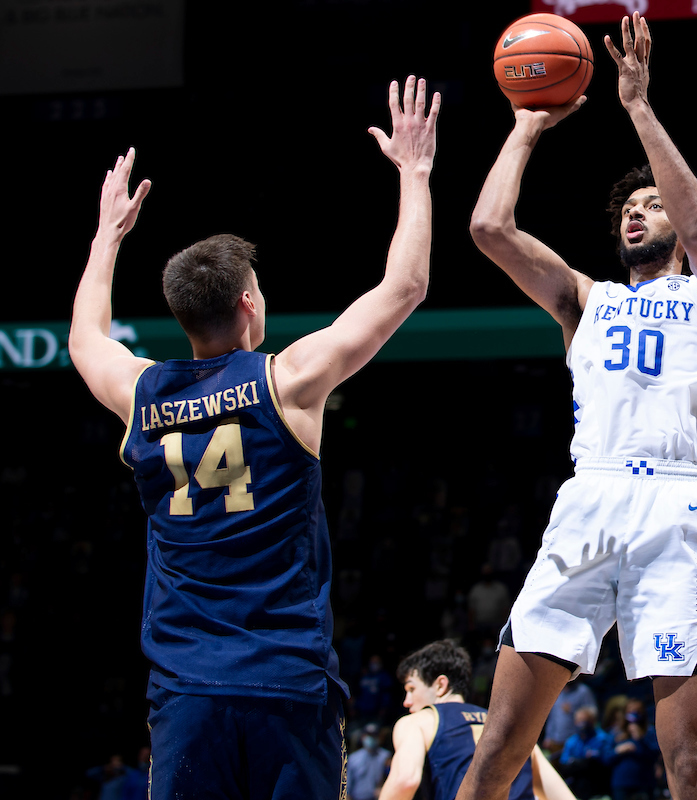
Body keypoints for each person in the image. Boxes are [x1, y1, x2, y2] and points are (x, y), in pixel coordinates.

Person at [67, 76, 440, 798]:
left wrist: (106, 235)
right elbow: (406, 286)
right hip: (285, 681)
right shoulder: (287, 380)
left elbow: (85, 338)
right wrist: (415, 173)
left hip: (186, 691)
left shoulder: (144, 395)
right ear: (247, 303)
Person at [461, 13, 697, 800]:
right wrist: (525, 127)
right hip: (589, 498)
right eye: (629, 206)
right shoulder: (582, 300)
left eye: (651, 205)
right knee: (499, 746)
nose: (637, 212)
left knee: (690, 759)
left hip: (677, 505)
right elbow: (489, 228)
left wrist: (637, 105)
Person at [379, 640, 574, 800]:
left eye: (411, 689)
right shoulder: (513, 726)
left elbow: (404, 781)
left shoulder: (418, 721)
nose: (407, 702)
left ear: (440, 685)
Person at [347, 723, 392, 800]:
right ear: (363, 737)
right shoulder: (353, 758)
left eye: (374, 736)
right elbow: (348, 786)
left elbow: (392, 779)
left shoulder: (386, 756)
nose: (371, 738)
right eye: (369, 735)